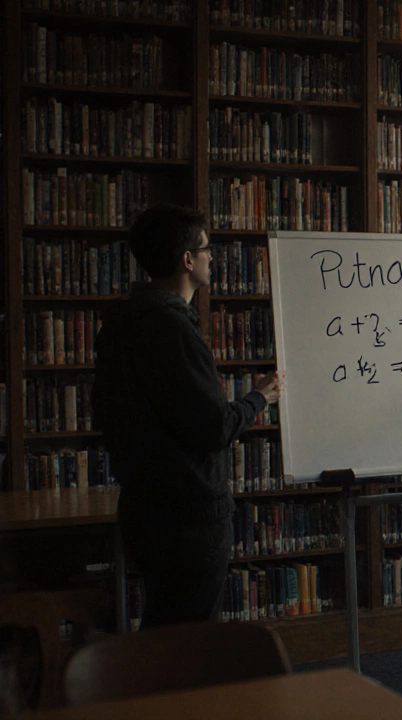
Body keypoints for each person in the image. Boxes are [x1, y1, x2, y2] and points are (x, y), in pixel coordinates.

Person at [94, 204, 282, 628]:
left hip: (143, 506)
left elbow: (104, 412)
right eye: (207, 248)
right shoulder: (172, 328)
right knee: (186, 642)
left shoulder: (120, 323)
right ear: (187, 260)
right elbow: (213, 427)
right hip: (188, 516)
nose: (212, 257)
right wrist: (257, 399)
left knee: (165, 628)